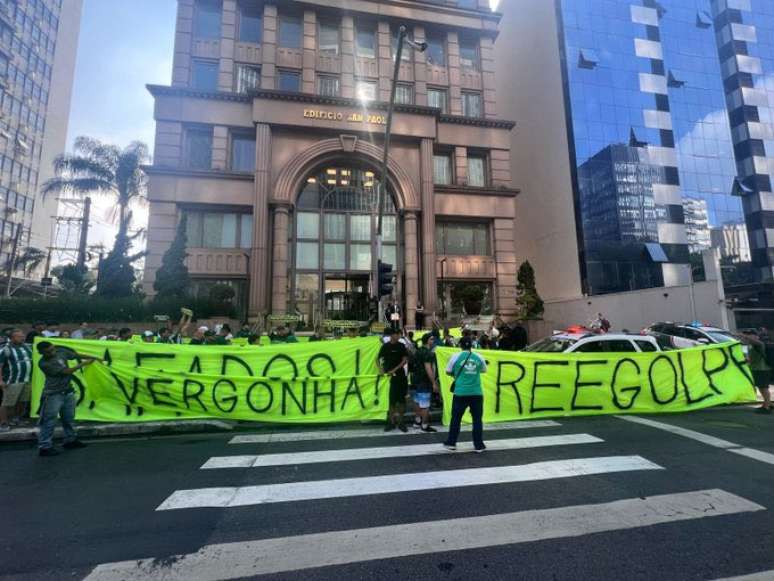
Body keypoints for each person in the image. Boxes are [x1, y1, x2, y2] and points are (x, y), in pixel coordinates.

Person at [36, 341, 101, 456]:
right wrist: (84, 364)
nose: (52, 352)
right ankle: (45, 446)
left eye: (53, 349)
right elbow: (66, 371)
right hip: (53, 394)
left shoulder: (60, 352)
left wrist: (94, 357)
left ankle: (70, 440)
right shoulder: (43, 363)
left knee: (69, 418)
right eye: (48, 351)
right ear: (41, 353)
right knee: (49, 420)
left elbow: (76, 355)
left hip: (68, 391)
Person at [443, 337, 488, 452]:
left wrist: (457, 374)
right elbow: (484, 370)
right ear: (471, 346)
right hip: (476, 393)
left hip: (460, 393)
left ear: (460, 345)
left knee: (456, 418)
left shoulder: (455, 357)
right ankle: (479, 445)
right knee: (477, 419)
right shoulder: (479, 357)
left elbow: (448, 371)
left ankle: (451, 443)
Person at [378, 328, 410, 432]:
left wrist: (394, 370)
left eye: (399, 334)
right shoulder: (385, 346)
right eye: (396, 334)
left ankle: (401, 422)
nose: (398, 336)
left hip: (400, 377)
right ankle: (391, 422)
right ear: (392, 335)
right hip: (388, 378)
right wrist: (381, 370)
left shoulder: (401, 346)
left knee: (401, 401)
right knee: (390, 402)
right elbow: (377, 359)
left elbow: (404, 360)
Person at [0, 330, 33, 431]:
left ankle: (16, 418)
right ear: (12, 338)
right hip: (12, 380)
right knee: (7, 403)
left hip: (27, 380)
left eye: (23, 336)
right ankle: (3, 423)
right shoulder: (5, 350)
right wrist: (0, 380)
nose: (22, 338)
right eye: (19, 336)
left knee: (23, 402)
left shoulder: (28, 347)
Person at [411, 334, 439, 432]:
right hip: (424, 381)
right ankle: (424, 425)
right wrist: (434, 383)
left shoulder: (417, 351)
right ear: (427, 341)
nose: (433, 341)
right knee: (425, 404)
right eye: (431, 339)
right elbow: (428, 368)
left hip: (415, 379)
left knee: (416, 401)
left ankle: (417, 421)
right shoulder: (428, 353)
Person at [740, 330, 771, 414]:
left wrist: (743, 335)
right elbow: (752, 358)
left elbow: (759, 344)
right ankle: (766, 404)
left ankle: (767, 407)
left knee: (764, 388)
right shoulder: (750, 346)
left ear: (756, 336)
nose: (749, 337)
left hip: (762, 369)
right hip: (755, 369)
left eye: (751, 335)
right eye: (748, 335)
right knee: (761, 387)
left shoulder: (760, 344)